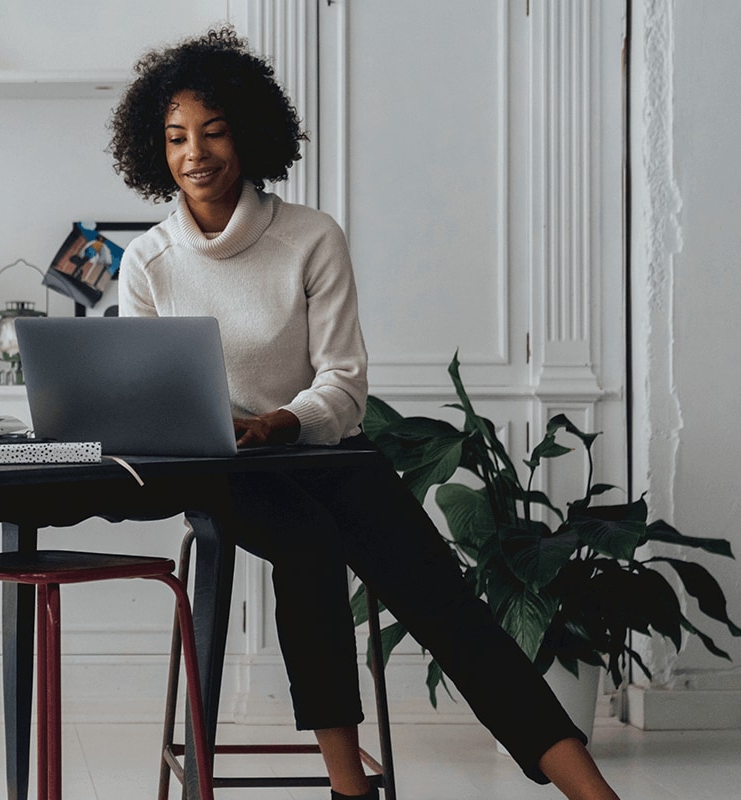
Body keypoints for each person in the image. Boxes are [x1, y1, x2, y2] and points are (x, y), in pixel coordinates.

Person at [109, 27, 621, 800]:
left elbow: (344, 383)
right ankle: (349, 786)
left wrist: (279, 421)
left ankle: (592, 791)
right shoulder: (147, 263)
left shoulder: (309, 237)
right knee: (308, 547)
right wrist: (227, 434)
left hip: (323, 452)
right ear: (156, 150)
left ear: (247, 134)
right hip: (222, 471)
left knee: (447, 602)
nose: (196, 154)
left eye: (213, 132)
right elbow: (146, 399)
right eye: (176, 137)